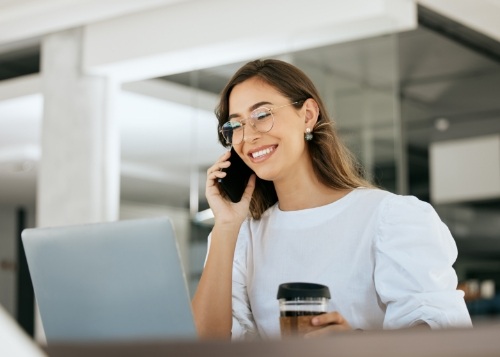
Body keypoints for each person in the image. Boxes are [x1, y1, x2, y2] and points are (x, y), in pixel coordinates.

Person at [191, 59, 472, 340]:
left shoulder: (389, 218)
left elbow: (444, 337)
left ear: (308, 115)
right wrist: (226, 226)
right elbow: (205, 344)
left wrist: (357, 344)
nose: (248, 135)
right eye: (235, 125)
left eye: (262, 115)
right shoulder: (242, 236)